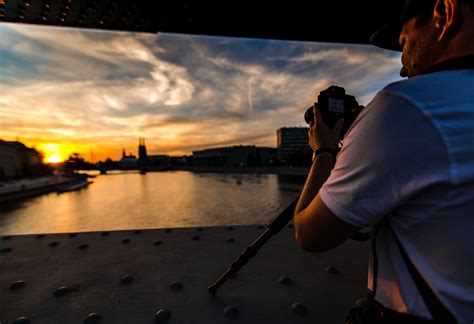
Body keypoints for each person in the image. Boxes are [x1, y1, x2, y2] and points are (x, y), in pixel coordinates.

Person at [293, 0, 474, 323]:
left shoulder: (403, 107)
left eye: (404, 44)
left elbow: (310, 235)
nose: (403, 67)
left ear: (444, 15)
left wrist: (323, 151)